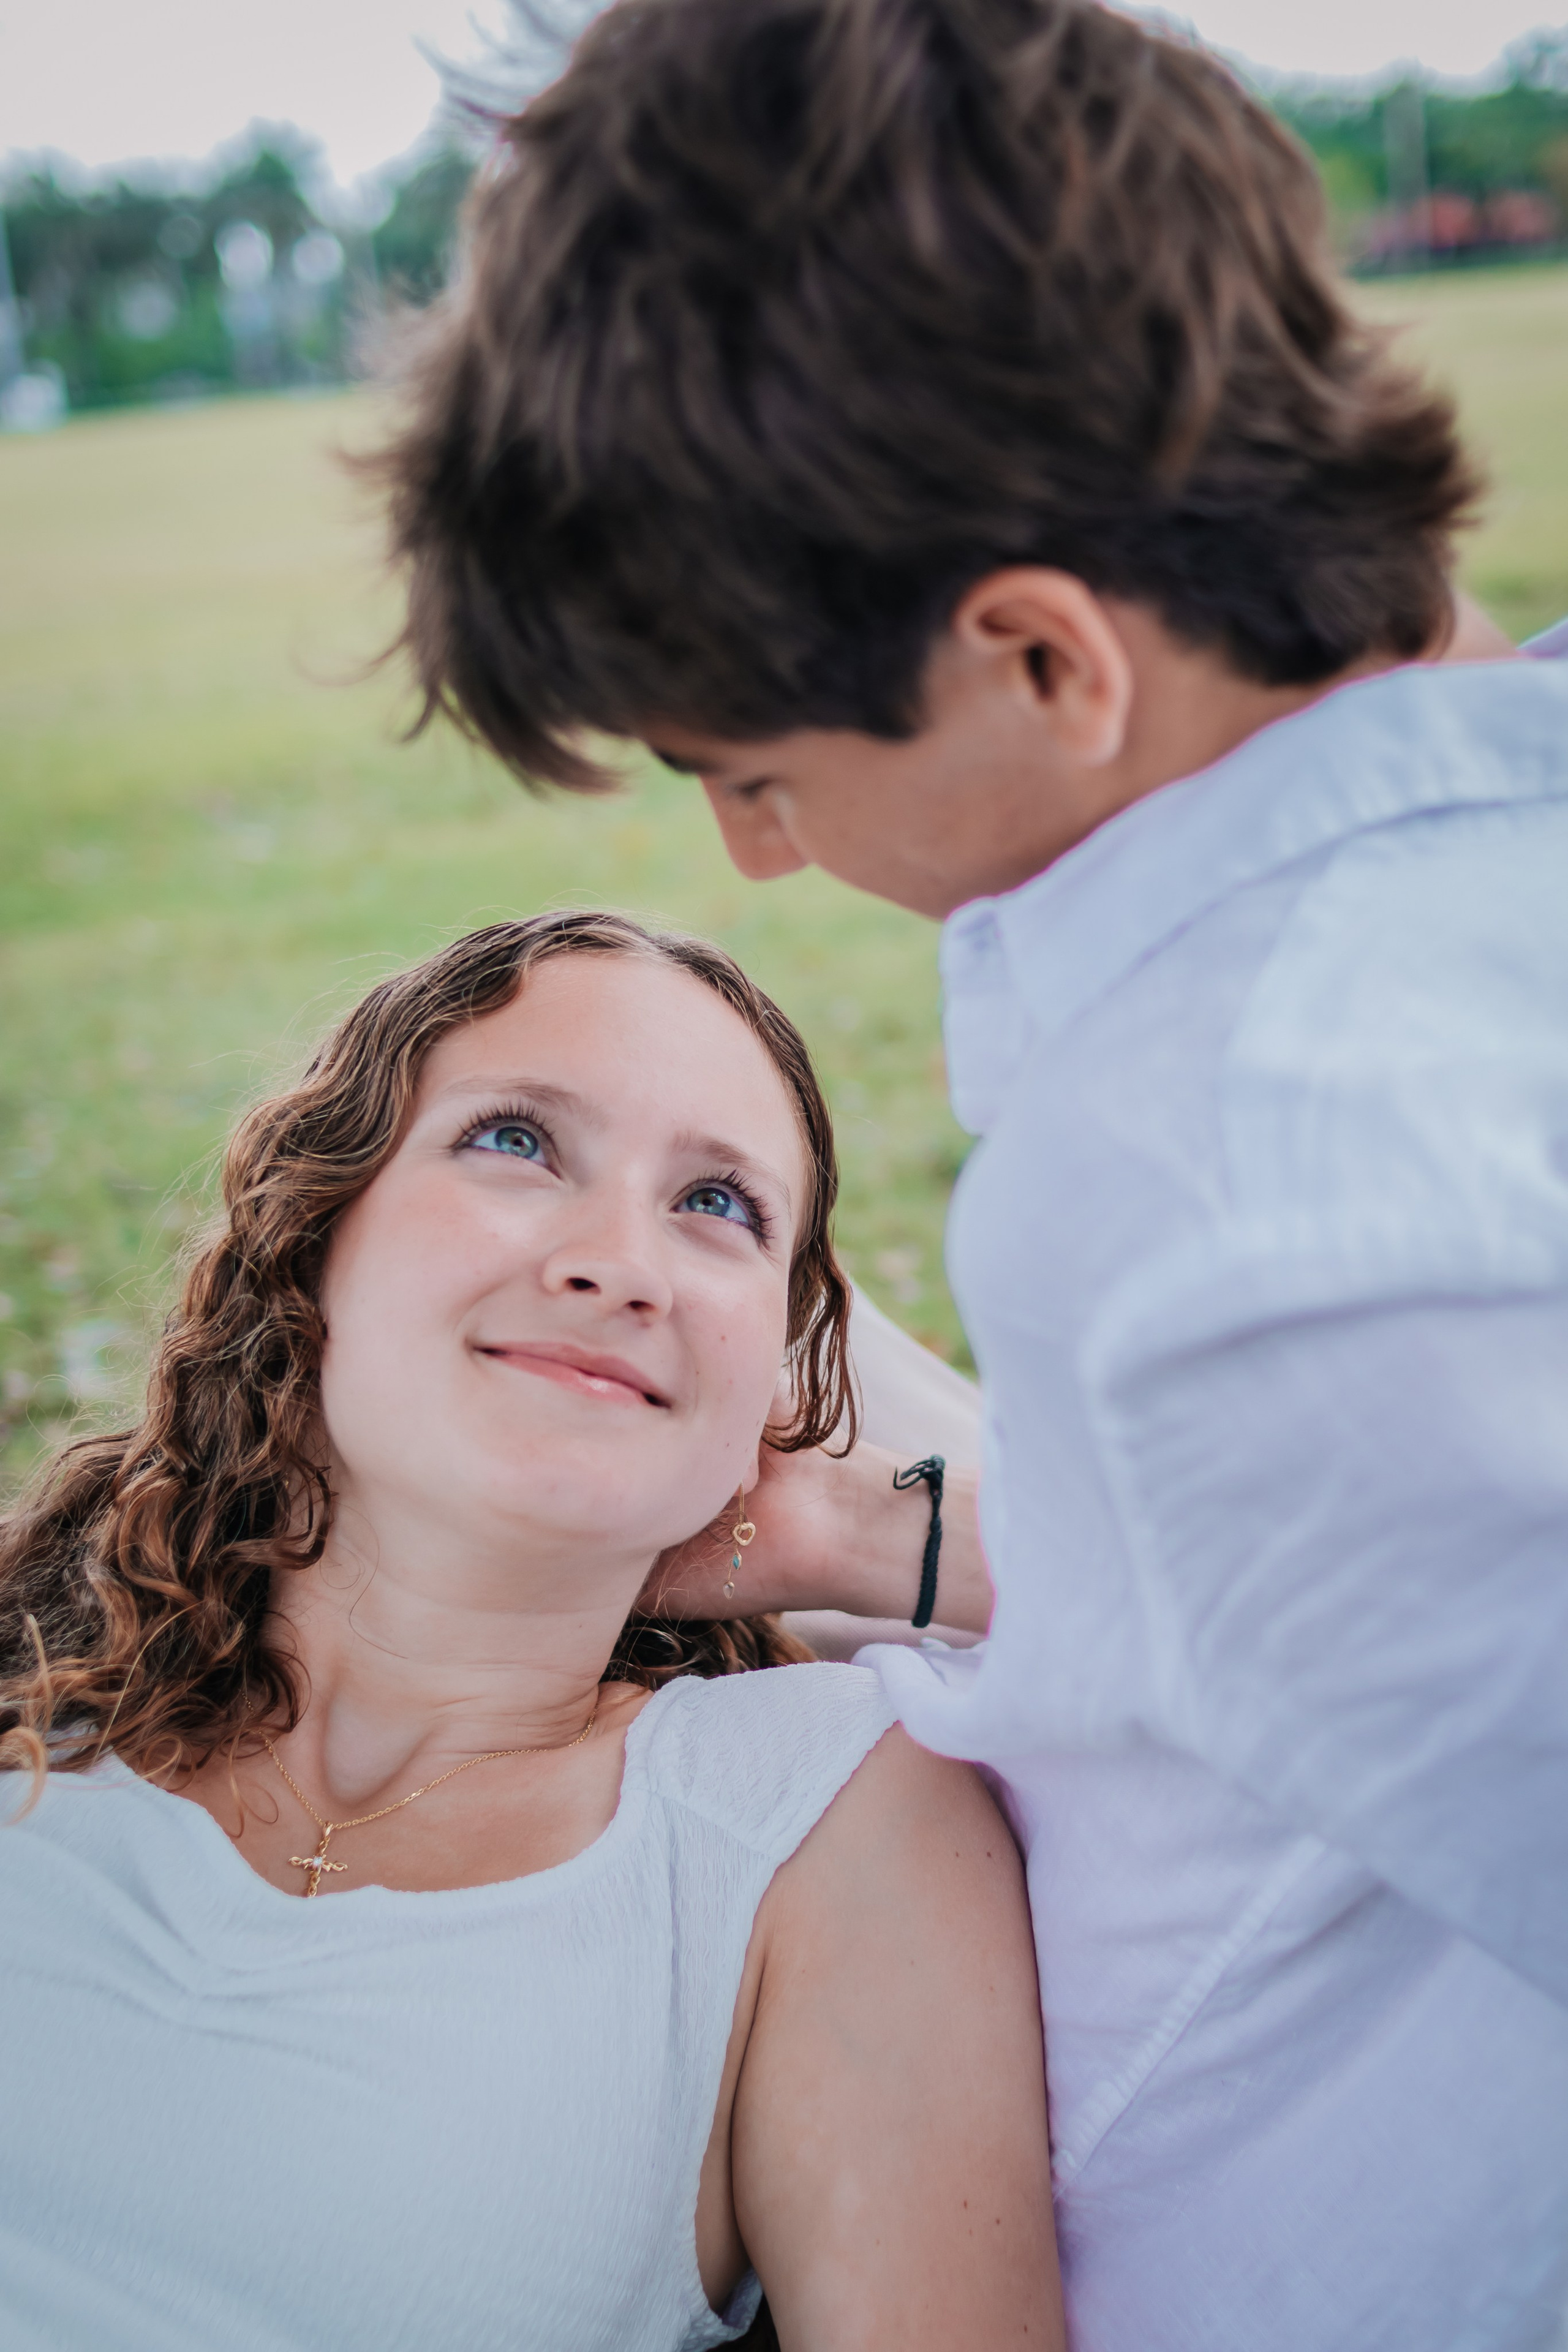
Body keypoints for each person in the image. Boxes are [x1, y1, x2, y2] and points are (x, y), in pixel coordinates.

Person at [368, 2, 1568, 2345]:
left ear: (1038, 659)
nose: (756, 852)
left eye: (752, 767)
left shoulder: (1240, 1185)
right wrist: (898, 1541)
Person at [0, 913, 1060, 2352]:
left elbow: (1389, 1614)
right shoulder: (35, 1666)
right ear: (314, 1235)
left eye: (717, 1207)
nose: (620, 1263)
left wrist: (848, 1534)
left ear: (768, 1379)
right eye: (515, 1142)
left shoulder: (819, 1821)